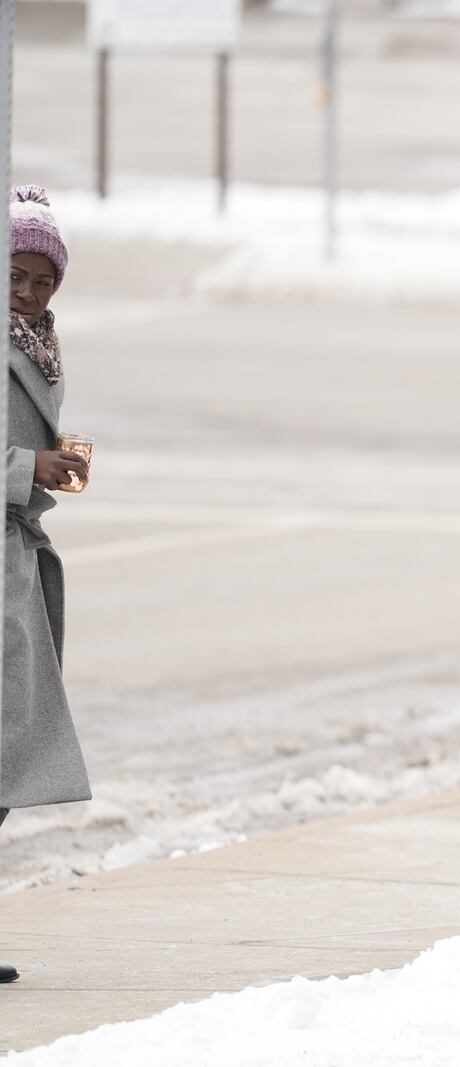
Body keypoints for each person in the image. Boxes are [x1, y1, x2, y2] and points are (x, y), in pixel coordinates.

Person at [2, 186, 92, 986]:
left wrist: (48, 459)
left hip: (15, 558)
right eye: (15, 275)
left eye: (42, 280)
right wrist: (27, 465)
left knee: (4, 757)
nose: (27, 293)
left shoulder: (37, 344)